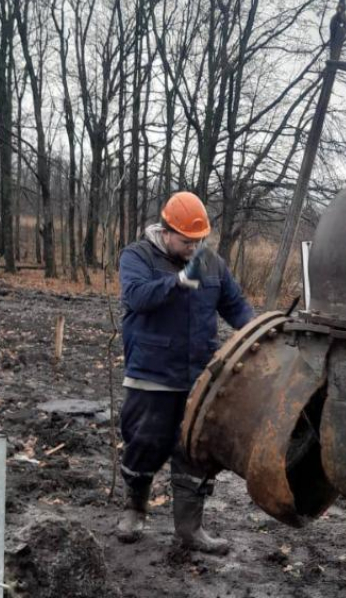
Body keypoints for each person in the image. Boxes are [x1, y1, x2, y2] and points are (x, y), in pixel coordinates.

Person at [115, 191, 254, 554]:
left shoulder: (212, 263)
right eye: (186, 241)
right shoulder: (137, 257)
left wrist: (258, 333)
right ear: (166, 231)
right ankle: (134, 510)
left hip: (198, 377)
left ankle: (190, 530)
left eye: (200, 241)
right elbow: (137, 298)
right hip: (152, 373)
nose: (194, 248)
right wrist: (177, 283)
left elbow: (235, 306)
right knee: (145, 443)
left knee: (195, 449)